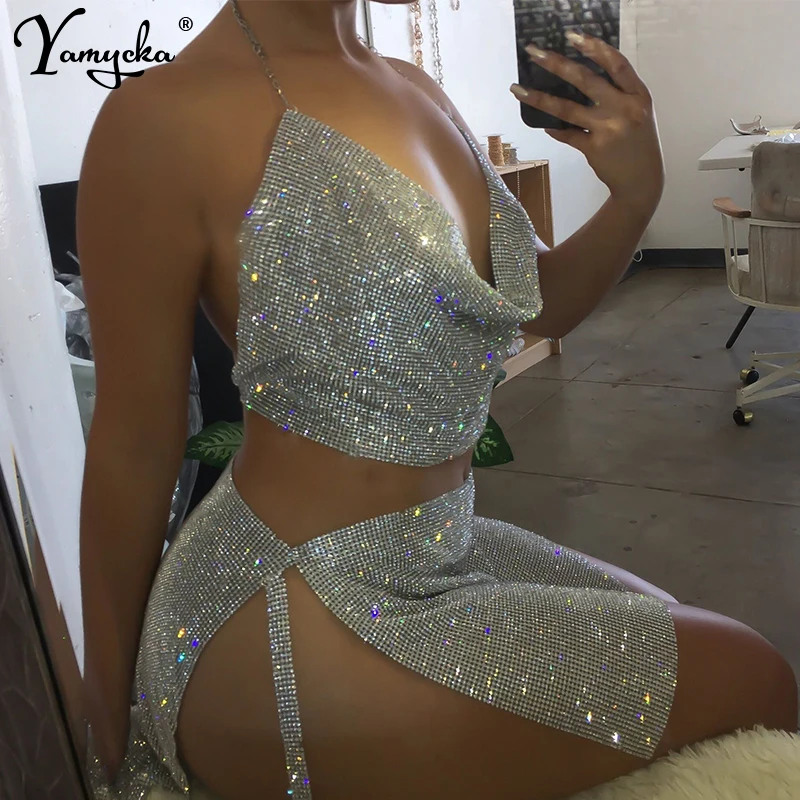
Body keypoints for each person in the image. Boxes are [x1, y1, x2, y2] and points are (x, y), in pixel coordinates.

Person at [79, 3, 797, 799]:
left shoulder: (412, 87)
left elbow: (542, 302)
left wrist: (634, 196)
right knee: (752, 677)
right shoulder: (163, 116)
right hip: (289, 603)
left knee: (694, 636)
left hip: (443, 548)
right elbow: (133, 444)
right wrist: (103, 715)